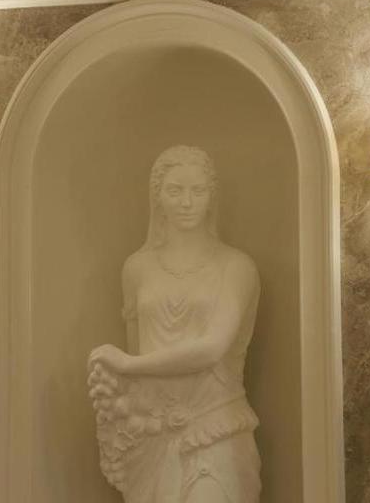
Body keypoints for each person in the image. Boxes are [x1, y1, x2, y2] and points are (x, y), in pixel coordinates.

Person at [88, 145, 262, 503]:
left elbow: (213, 348)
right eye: (175, 190)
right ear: (158, 197)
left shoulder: (236, 267)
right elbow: (138, 353)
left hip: (216, 426)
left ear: (211, 197)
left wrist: (126, 364)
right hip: (152, 434)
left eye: (198, 191)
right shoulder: (136, 268)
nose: (187, 202)